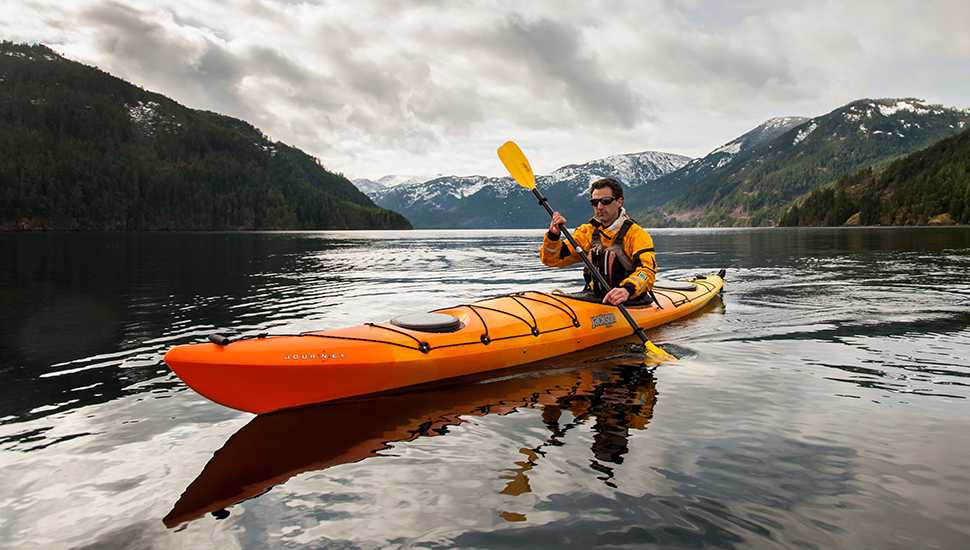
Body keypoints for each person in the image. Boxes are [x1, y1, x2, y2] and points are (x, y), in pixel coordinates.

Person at [540, 178, 656, 305]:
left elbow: (646, 272)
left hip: (629, 300)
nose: (600, 207)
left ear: (619, 202)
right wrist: (553, 235)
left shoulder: (637, 235)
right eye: (595, 202)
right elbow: (552, 260)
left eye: (606, 201)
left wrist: (626, 289)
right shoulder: (586, 233)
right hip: (593, 298)